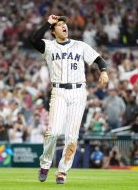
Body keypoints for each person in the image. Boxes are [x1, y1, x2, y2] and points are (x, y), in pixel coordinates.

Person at [29, 14, 109, 184]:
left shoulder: (79, 46)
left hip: (78, 92)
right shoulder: (49, 47)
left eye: (65, 24)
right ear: (53, 31)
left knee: (72, 137)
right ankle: (45, 165)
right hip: (59, 92)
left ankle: (62, 171)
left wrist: (103, 71)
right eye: (59, 25)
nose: (64, 26)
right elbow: (33, 39)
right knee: (53, 132)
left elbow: (99, 59)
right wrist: (47, 22)